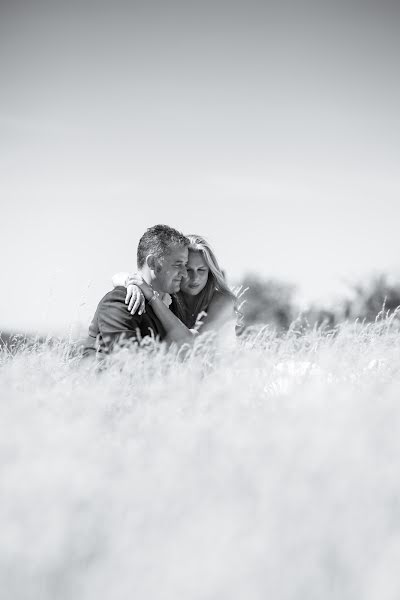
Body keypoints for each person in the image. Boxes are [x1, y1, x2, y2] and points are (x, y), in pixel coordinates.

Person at [82, 224, 190, 357]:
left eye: (185, 265)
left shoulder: (173, 305)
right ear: (153, 263)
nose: (185, 273)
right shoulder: (121, 301)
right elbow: (129, 364)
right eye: (178, 264)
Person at [112, 234, 238, 339]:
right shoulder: (171, 297)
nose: (195, 278)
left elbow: (195, 345)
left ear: (210, 272)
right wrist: (132, 284)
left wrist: (153, 299)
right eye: (188, 270)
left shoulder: (222, 301)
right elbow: (116, 277)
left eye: (201, 270)